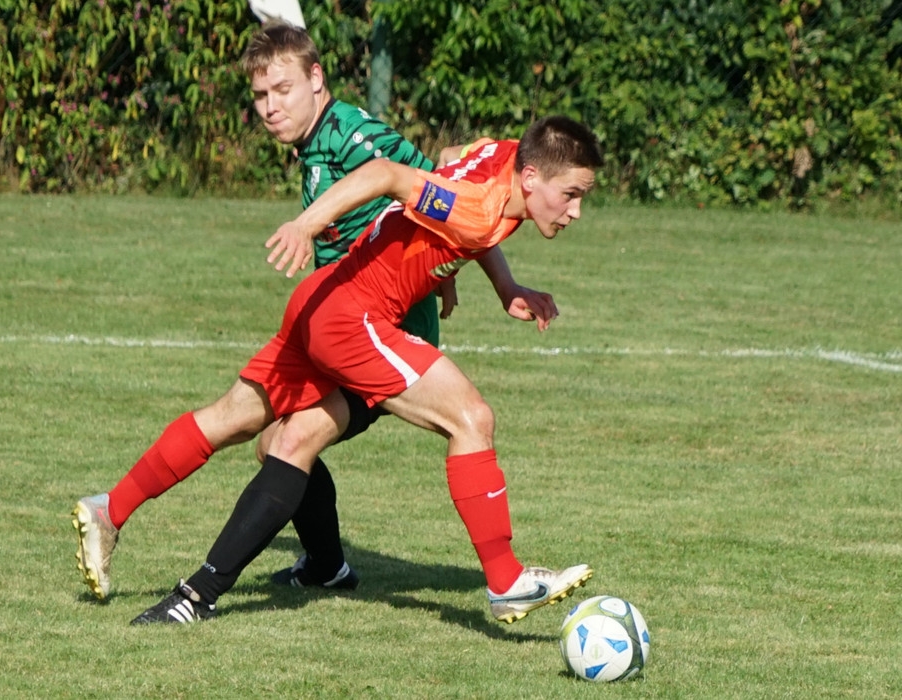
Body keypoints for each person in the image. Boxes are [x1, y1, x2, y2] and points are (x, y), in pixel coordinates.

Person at [71, 21, 551, 601]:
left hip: (384, 329)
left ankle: (203, 592)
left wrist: (457, 274)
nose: (270, 108)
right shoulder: (316, 144)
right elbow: (453, 174)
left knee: (292, 440)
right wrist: (461, 272)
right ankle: (115, 512)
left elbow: (437, 185)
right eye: (260, 96)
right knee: (250, 429)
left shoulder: (354, 136)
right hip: (338, 319)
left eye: (283, 90)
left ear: (316, 79)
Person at [127, 114, 604, 626]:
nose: (576, 211)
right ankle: (506, 582)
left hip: (326, 298)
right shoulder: (474, 206)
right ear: (530, 178)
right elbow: (386, 174)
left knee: (269, 436)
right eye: (571, 194)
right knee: (471, 418)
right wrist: (306, 225)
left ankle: (183, 580)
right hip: (355, 319)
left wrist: (498, 282)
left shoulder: (504, 154)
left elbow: (450, 160)